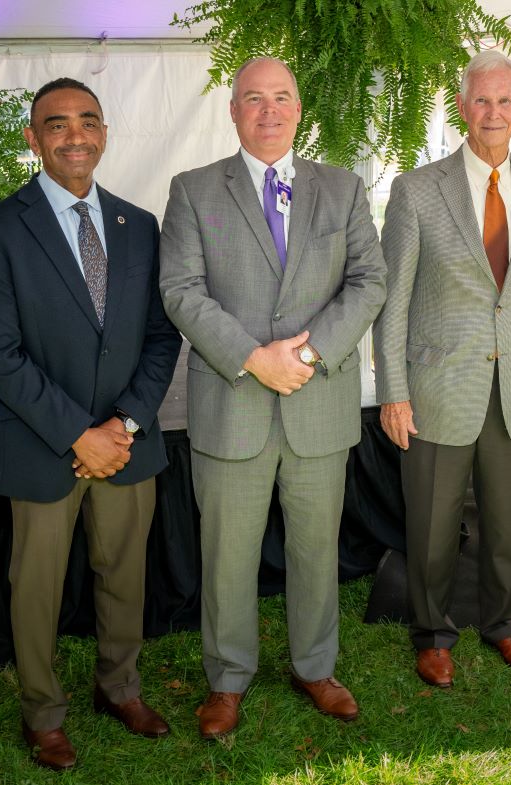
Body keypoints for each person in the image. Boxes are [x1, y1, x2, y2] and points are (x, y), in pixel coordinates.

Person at [159, 57, 387, 736]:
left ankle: (315, 666)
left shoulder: (343, 189)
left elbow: (370, 280)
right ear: (233, 111)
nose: (268, 110)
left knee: (317, 548)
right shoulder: (194, 189)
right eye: (253, 99)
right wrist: (254, 359)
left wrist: (309, 353)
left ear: (299, 107)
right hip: (233, 408)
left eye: (281, 97)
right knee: (227, 553)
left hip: (319, 405)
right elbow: (180, 290)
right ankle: (227, 678)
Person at [0, 77, 182, 769]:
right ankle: (42, 711)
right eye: (56, 124)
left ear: (106, 133)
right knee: (36, 588)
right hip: (42, 446)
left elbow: (160, 336)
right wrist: (77, 433)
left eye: (88, 120)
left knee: (124, 577)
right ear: (34, 139)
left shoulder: (139, 224)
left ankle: (119, 687)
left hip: (126, 444)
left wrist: (124, 424)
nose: (75, 134)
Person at [373, 50, 511, 689]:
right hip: (436, 387)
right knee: (431, 524)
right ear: (463, 107)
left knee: (507, 521)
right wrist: (393, 392)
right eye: (480, 100)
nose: (492, 112)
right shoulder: (416, 189)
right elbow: (392, 298)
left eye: (503, 101)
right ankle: (432, 634)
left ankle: (503, 625)